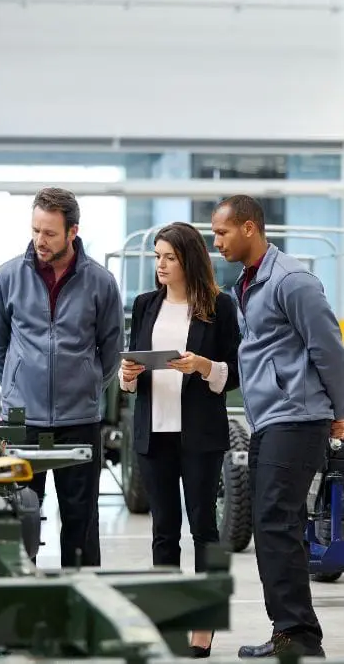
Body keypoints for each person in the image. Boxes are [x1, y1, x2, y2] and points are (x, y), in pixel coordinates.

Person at [211, 194, 344, 659]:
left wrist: (342, 412)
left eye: (223, 232)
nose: (217, 241)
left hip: (299, 417)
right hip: (271, 418)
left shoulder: (293, 280)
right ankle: (290, 630)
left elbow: (328, 349)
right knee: (273, 525)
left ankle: (299, 636)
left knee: (275, 520)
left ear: (250, 228)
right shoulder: (247, 284)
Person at [0, 186, 124, 568]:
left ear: (72, 232)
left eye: (49, 233)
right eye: (35, 230)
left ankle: (81, 607)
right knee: (17, 519)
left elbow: (111, 349)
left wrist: (88, 385)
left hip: (79, 422)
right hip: (20, 423)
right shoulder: (8, 276)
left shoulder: (100, 282)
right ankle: (19, 609)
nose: (39, 241)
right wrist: (14, 387)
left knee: (81, 523)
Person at [119, 221, 240, 658]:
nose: (161, 265)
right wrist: (127, 375)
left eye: (169, 257)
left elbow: (234, 374)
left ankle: (204, 625)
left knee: (205, 530)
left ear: (189, 259)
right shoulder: (145, 304)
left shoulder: (219, 307)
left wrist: (205, 367)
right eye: (157, 257)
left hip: (200, 436)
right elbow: (130, 369)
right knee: (163, 532)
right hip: (154, 432)